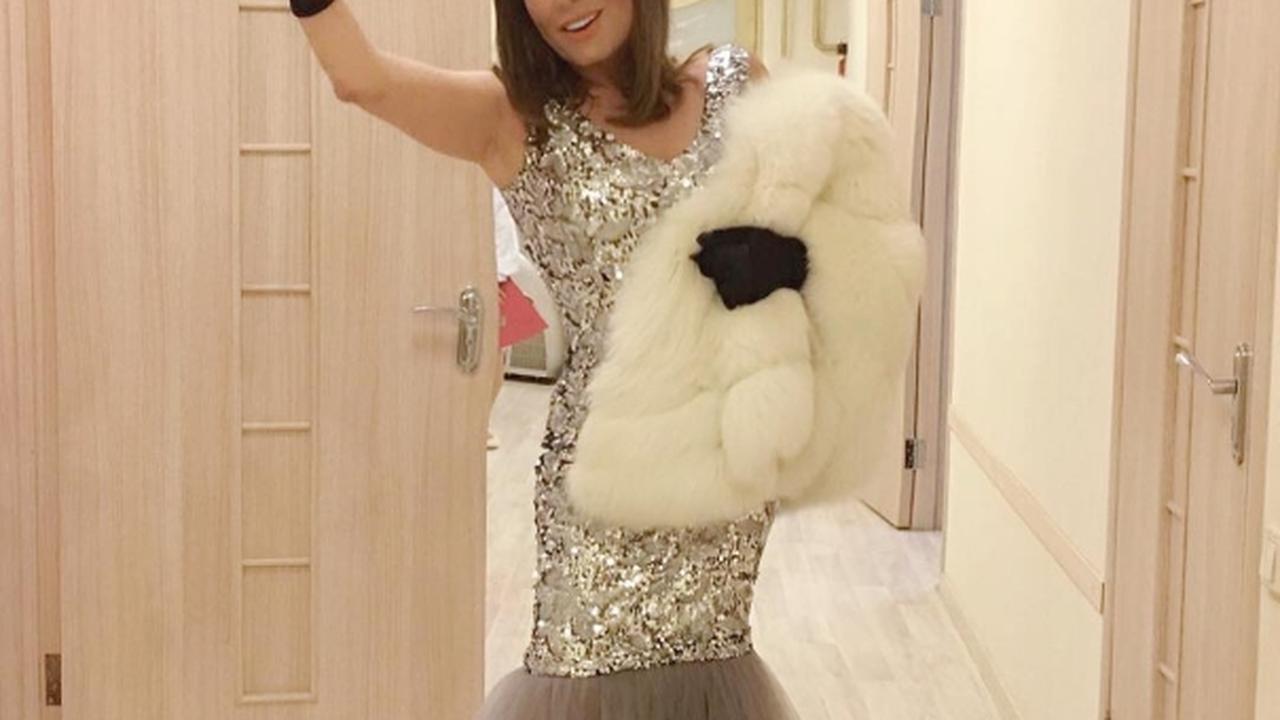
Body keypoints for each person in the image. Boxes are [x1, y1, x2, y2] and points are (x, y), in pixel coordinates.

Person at [290, 1, 799, 717]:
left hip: (725, 485)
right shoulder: (512, 118)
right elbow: (363, 79)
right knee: (581, 678)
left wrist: (786, 279)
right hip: (603, 491)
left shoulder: (735, 84)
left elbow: (818, 243)